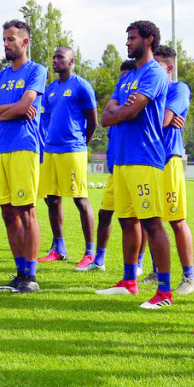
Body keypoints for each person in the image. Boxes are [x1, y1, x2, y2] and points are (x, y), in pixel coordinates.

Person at [95, 20, 173, 310]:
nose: (127, 43)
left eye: (132, 38)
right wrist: (121, 110)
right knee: (127, 221)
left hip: (145, 158)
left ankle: (164, 291)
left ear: (149, 40)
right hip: (123, 159)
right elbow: (106, 116)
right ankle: (129, 281)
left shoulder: (154, 72)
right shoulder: (128, 77)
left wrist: (122, 110)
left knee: (152, 223)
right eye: (127, 38)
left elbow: (132, 110)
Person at [0, 20, 47, 294]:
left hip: (24, 147)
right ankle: (19, 273)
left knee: (26, 211)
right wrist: (15, 109)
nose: (6, 44)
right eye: (4, 39)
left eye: (11, 39)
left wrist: (5, 110)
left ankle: (31, 276)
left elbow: (25, 105)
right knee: (8, 213)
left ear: (25, 42)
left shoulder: (37, 70)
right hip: (1, 149)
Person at [38, 46, 98, 267]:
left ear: (71, 61)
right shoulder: (51, 90)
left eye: (60, 57)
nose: (55, 60)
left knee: (80, 199)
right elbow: (46, 120)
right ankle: (59, 248)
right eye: (54, 57)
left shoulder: (81, 86)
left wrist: (81, 143)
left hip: (73, 150)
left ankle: (90, 252)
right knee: (52, 200)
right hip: (51, 150)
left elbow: (93, 121)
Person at [81, 60, 136, 273]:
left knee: (135, 220)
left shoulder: (137, 103)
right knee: (105, 214)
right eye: (122, 76)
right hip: (115, 171)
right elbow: (104, 117)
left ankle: (139, 264)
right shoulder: (118, 103)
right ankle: (99, 260)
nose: (124, 80)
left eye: (127, 75)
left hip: (133, 167)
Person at [152, 45, 194, 294]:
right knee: (151, 220)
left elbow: (163, 121)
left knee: (177, 220)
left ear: (169, 68)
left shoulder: (178, 89)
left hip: (169, 159)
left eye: (157, 65)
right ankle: (156, 271)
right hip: (150, 161)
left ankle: (189, 279)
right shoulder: (152, 89)